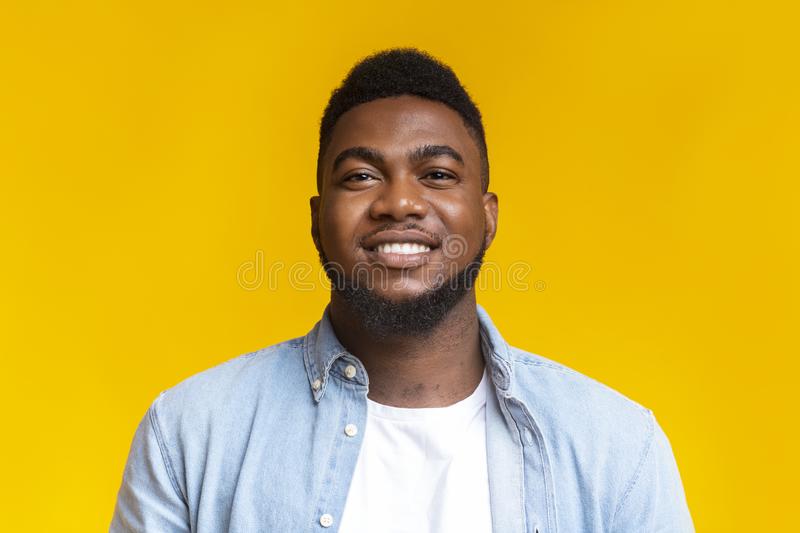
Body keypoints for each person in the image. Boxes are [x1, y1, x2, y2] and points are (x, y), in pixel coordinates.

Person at [110, 48, 694, 533]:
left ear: (487, 217)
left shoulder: (617, 451)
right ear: (317, 219)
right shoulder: (190, 435)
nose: (400, 203)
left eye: (437, 174)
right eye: (361, 176)